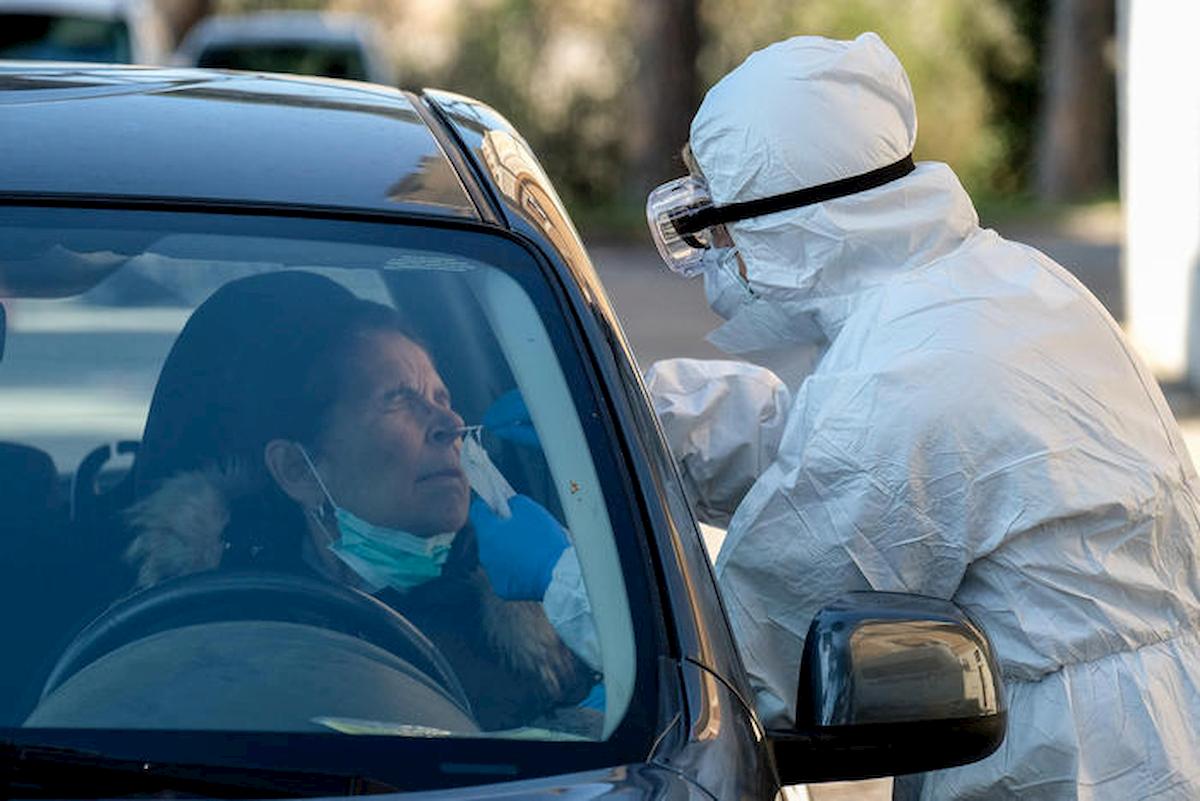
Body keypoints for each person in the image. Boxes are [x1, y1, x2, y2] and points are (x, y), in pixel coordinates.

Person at [639, 32, 1200, 799]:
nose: (719, 256)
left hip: (1065, 761)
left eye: (724, 231)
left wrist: (565, 585)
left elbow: (756, 636)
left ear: (789, 225)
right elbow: (860, 456)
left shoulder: (900, 374)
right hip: (1159, 719)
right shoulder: (998, 283)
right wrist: (657, 419)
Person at [122, 270, 598, 732]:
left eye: (442, 396)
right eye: (399, 398)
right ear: (298, 470)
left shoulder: (541, 620)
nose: (450, 423)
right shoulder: (204, 632)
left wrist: (580, 599)